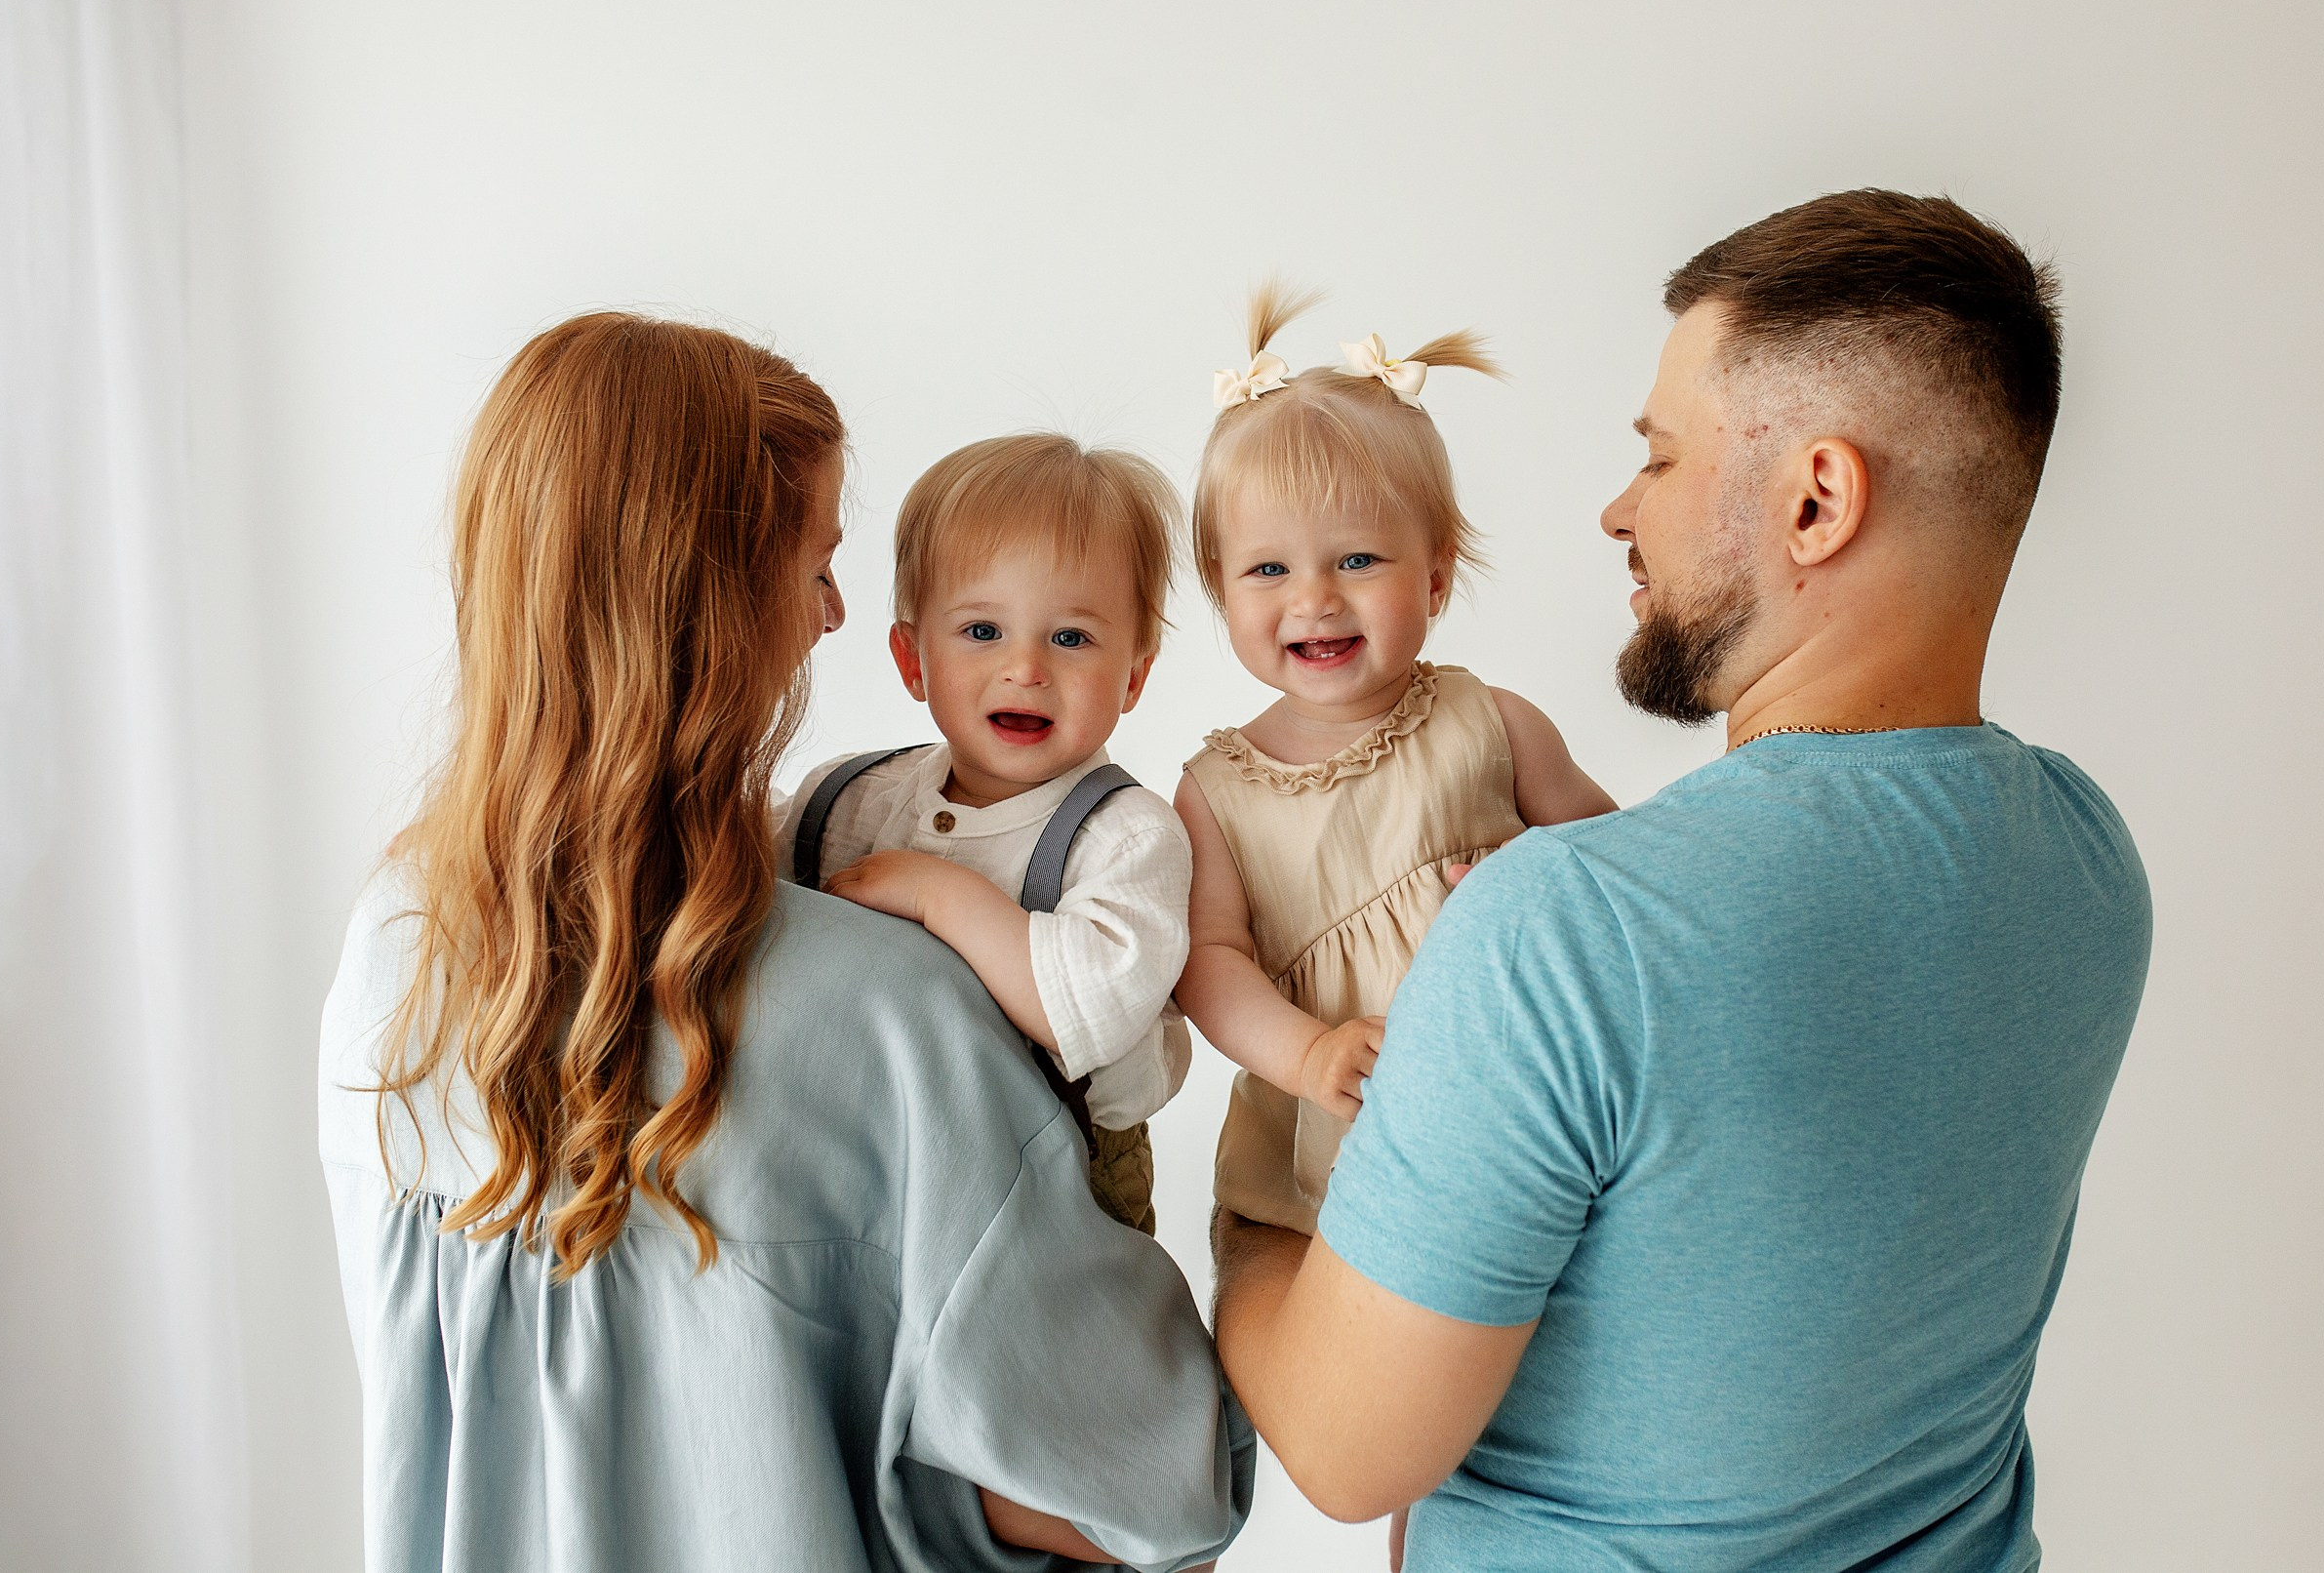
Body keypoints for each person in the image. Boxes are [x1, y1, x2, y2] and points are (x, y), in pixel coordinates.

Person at [1209, 191, 2152, 1572]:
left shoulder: (1565, 929)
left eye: (1658, 456)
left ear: (1815, 500)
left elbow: (1350, 1452)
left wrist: (1245, 1238)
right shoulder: (2086, 856)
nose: (1617, 507)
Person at [319, 312, 1252, 1572]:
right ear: (706, 601)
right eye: (812, 564)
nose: (827, 614)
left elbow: (433, 1387)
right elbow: (1165, 1486)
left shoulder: (394, 938)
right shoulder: (887, 1009)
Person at [1175, 286, 1614, 1240]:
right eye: (1268, 569)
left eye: (1359, 559)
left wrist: (1536, 884)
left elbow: (1618, 869)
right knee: (1326, 1352)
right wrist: (1305, 1053)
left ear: (1437, 575)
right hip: (1334, 1139)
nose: (1315, 599)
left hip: (1515, 1110)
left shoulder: (1491, 725)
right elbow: (1208, 963)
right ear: (1218, 587)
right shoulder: (1218, 792)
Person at [789, 432, 1194, 1232]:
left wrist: (940, 893)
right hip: (866, 1155)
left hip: (1059, 1189)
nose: (1027, 668)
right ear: (912, 659)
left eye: (1071, 637)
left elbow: (1090, 1012)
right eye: (982, 631)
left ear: (1135, 676)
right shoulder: (845, 799)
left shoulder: (1126, 835)